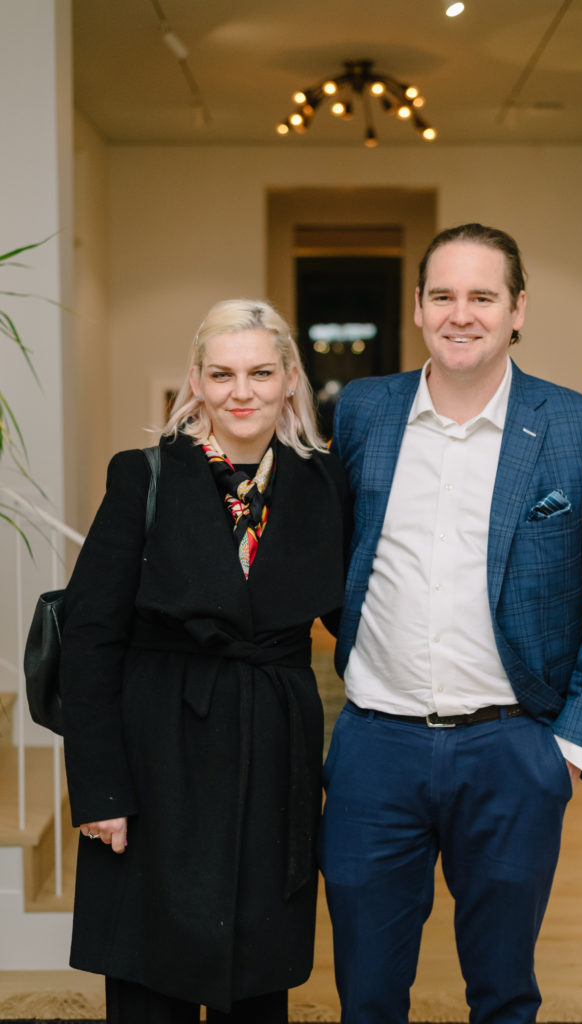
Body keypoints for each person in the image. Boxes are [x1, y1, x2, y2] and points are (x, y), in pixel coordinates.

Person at [318, 223, 582, 1024]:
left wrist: (567, 749)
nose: (461, 314)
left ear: (517, 309)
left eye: (483, 297)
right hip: (373, 749)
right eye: (443, 296)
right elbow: (334, 559)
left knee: (503, 993)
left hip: (512, 751)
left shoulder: (576, 426)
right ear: (420, 309)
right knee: (364, 991)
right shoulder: (363, 411)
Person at [59, 299, 348, 1023]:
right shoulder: (144, 477)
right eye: (222, 374)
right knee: (150, 975)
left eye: (259, 372)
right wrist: (99, 792)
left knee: (256, 976)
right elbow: (90, 637)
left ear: (290, 380)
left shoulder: (324, 485)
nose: (240, 392)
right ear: (196, 380)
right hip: (158, 750)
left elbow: (361, 622)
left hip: (273, 746)